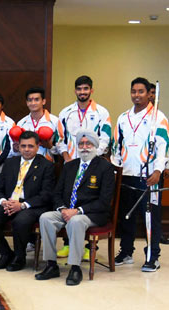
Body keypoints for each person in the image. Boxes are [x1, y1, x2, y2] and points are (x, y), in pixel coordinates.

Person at [36, 129, 114, 286]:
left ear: (95, 146)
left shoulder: (105, 168)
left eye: (88, 143)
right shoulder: (70, 166)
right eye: (81, 144)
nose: (84, 147)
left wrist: (77, 211)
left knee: (76, 221)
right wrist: (63, 209)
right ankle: (51, 265)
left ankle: (75, 268)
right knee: (45, 218)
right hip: (67, 210)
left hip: (91, 213)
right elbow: (57, 193)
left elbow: (104, 201)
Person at [111, 77, 168, 272]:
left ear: (149, 93)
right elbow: (117, 147)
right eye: (133, 91)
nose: (136, 95)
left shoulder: (158, 118)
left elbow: (163, 147)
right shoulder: (123, 118)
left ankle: (153, 256)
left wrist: (158, 171)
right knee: (126, 216)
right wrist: (115, 169)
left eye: (141, 91)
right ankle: (126, 251)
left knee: (150, 217)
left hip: (149, 176)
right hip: (127, 174)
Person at [54, 75, 112, 259]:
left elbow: (106, 137)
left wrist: (94, 158)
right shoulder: (66, 112)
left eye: (86, 89)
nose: (82, 92)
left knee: (87, 200)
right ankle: (67, 244)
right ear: (75, 91)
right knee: (69, 199)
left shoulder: (102, 112)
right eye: (79, 89)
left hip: (92, 164)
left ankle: (86, 247)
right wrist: (66, 157)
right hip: (71, 165)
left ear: (91, 90)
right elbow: (59, 138)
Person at [0, 131, 54, 271]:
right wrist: (3, 202)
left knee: (20, 221)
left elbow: (46, 194)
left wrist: (22, 205)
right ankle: (6, 253)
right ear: (18, 147)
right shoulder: (10, 163)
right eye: (23, 146)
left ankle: (19, 258)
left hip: (31, 205)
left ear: (38, 147)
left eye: (30, 146)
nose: (26, 150)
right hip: (9, 202)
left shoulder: (46, 165)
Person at [15, 87, 60, 162]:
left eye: (36, 99)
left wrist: (50, 146)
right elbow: (17, 151)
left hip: (48, 166)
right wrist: (15, 148)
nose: (33, 103)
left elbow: (61, 150)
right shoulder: (21, 123)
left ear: (43, 101)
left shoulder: (55, 121)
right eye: (30, 100)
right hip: (26, 166)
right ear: (26, 102)